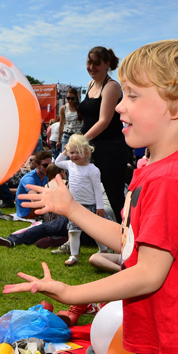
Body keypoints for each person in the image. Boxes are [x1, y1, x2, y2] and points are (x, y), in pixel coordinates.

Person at [4, 39, 178, 354]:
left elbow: (147, 273)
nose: (120, 106)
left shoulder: (169, 180)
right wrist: (72, 210)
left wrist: (73, 292)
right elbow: (131, 243)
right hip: (162, 348)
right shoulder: (155, 169)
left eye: (134, 96)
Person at [79, 46, 129, 223]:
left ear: (107, 64)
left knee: (113, 194)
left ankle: (125, 236)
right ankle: (85, 234)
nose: (91, 67)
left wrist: (80, 141)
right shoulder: (91, 85)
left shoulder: (112, 87)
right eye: (89, 62)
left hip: (111, 149)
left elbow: (104, 121)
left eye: (96, 63)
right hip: (91, 148)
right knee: (84, 193)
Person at [53, 134, 107, 268]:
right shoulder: (70, 165)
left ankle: (104, 250)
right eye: (71, 152)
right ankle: (74, 255)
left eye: (78, 152)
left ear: (86, 152)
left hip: (91, 206)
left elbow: (97, 189)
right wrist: (65, 150)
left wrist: (99, 206)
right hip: (74, 206)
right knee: (73, 231)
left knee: (95, 230)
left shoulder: (93, 169)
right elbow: (57, 162)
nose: (74, 155)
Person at [15, 150, 51, 219]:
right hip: (27, 212)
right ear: (37, 166)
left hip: (36, 208)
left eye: (50, 165)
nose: (48, 168)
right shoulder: (29, 179)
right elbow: (34, 200)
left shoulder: (46, 176)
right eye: (45, 165)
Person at [57, 87, 83, 152]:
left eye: (72, 98)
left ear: (76, 98)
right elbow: (61, 124)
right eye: (68, 98)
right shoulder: (64, 108)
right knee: (65, 157)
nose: (70, 100)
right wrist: (58, 140)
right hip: (67, 135)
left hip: (78, 136)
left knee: (77, 157)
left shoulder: (81, 107)